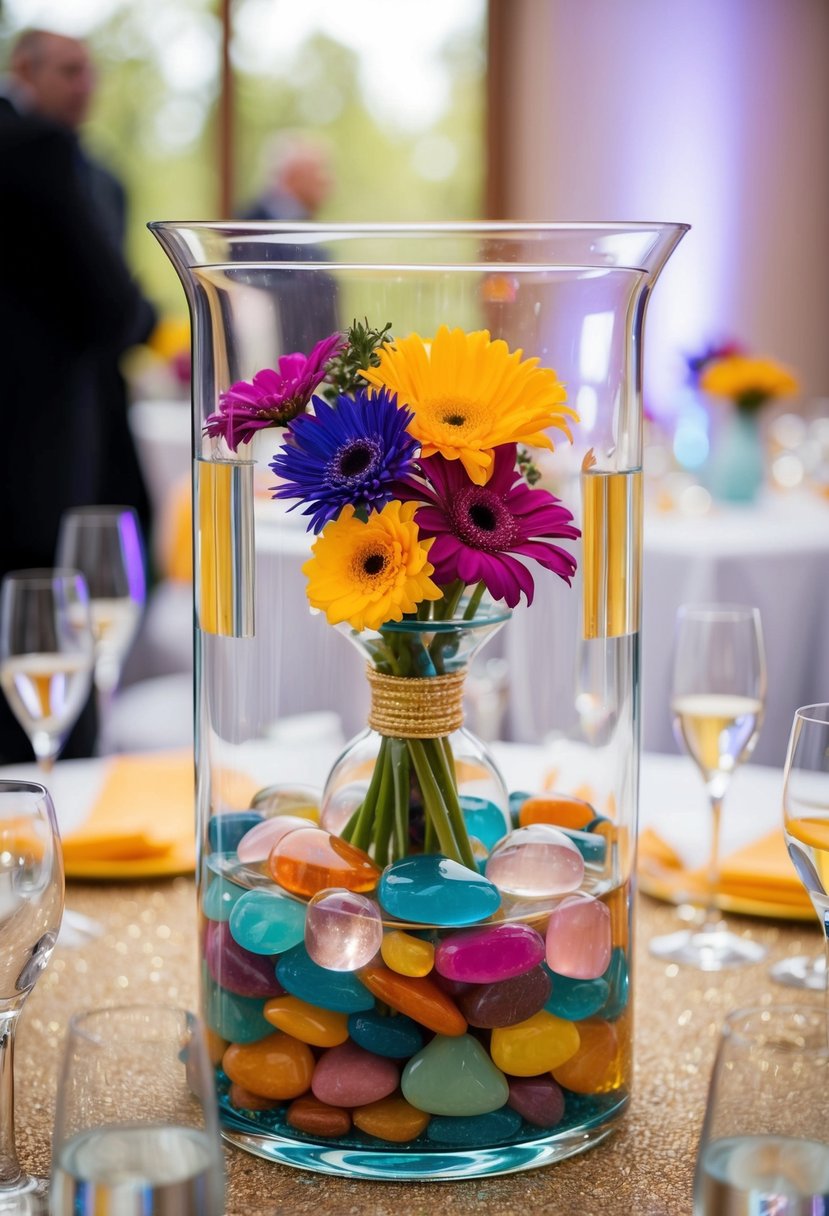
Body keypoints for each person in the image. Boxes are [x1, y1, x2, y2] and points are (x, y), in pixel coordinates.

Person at [0, 29, 154, 762]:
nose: (83, 85)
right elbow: (115, 308)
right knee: (52, 633)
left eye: (89, 71)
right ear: (20, 70)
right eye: (67, 70)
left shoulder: (89, 167)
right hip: (40, 452)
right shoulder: (42, 152)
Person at [239, 131, 334, 222]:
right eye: (318, 170)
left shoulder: (302, 218)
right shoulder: (246, 223)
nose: (327, 179)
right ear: (293, 177)